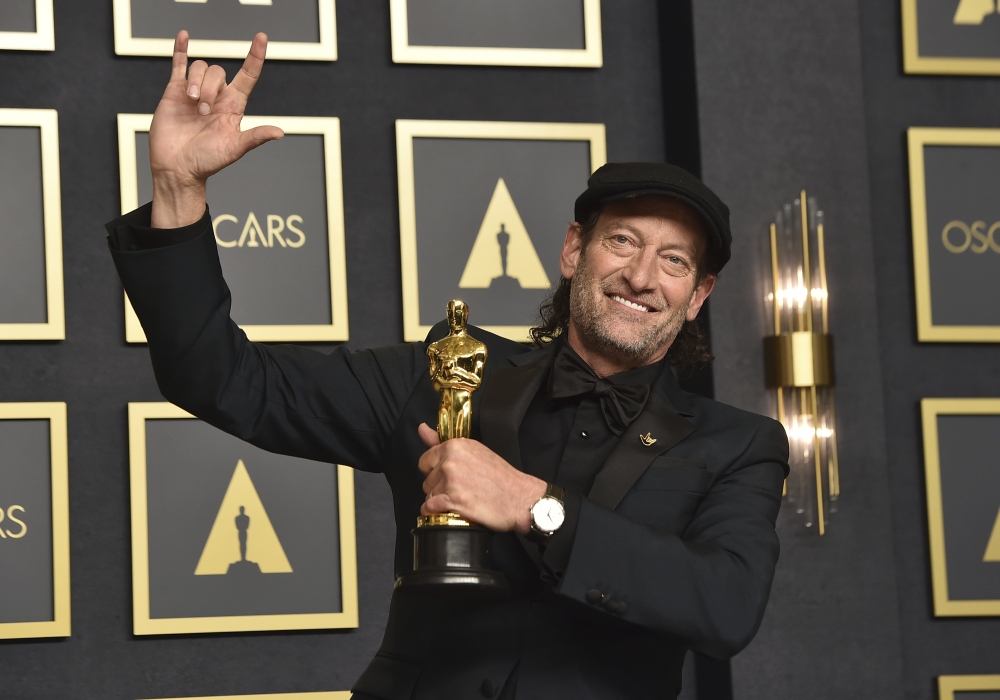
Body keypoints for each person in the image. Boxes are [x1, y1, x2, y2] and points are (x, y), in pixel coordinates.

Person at [107, 31, 788, 700]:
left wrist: (533, 505)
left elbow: (724, 607)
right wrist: (176, 192)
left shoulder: (736, 445)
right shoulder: (444, 370)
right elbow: (225, 381)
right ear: (575, 250)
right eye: (623, 241)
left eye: (674, 261)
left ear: (697, 294)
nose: (642, 276)